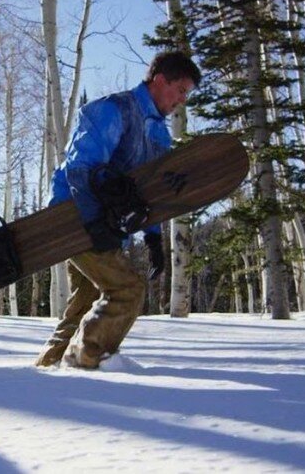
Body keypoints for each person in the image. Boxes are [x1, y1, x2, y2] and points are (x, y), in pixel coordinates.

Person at [35, 51, 201, 369]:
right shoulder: (113, 110)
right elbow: (80, 169)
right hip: (72, 216)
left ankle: (45, 371)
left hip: (107, 225)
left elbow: (149, 191)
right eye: (181, 90)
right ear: (160, 80)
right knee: (126, 289)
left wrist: (153, 239)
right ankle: (85, 358)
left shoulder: (159, 134)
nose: (182, 100)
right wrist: (93, 223)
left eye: (187, 94)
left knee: (84, 301)